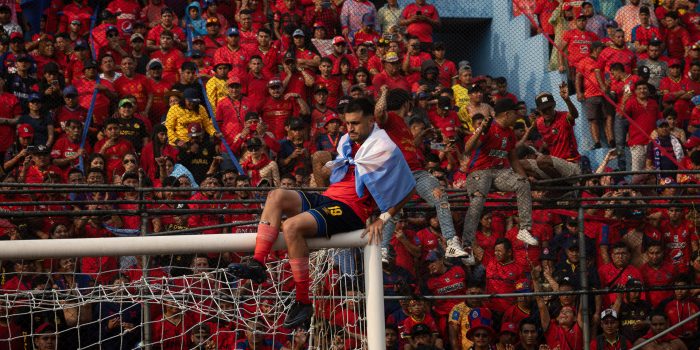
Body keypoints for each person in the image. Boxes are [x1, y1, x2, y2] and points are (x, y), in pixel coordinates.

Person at [229, 97, 415, 328]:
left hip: (350, 210)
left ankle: (303, 301)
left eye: (355, 123)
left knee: (291, 226)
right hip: (329, 198)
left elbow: (409, 187)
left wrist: (383, 219)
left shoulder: (385, 147)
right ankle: (257, 263)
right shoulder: (348, 141)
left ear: (371, 120)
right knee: (276, 195)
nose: (350, 129)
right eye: (347, 123)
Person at [375, 88, 468, 259]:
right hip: (398, 174)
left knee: (440, 196)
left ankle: (452, 243)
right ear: (406, 103)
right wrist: (384, 93)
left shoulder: (403, 123)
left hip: (417, 173)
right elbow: (379, 113)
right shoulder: (391, 117)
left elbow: (408, 146)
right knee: (392, 210)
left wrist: (422, 135)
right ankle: (382, 249)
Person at [462, 98, 538, 249]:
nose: (518, 117)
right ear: (507, 114)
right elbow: (467, 149)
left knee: (522, 183)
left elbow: (514, 160)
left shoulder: (509, 133)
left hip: (498, 173)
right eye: (516, 114)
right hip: (479, 172)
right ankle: (467, 244)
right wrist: (479, 131)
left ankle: (524, 229)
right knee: (477, 203)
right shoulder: (488, 127)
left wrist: (524, 178)